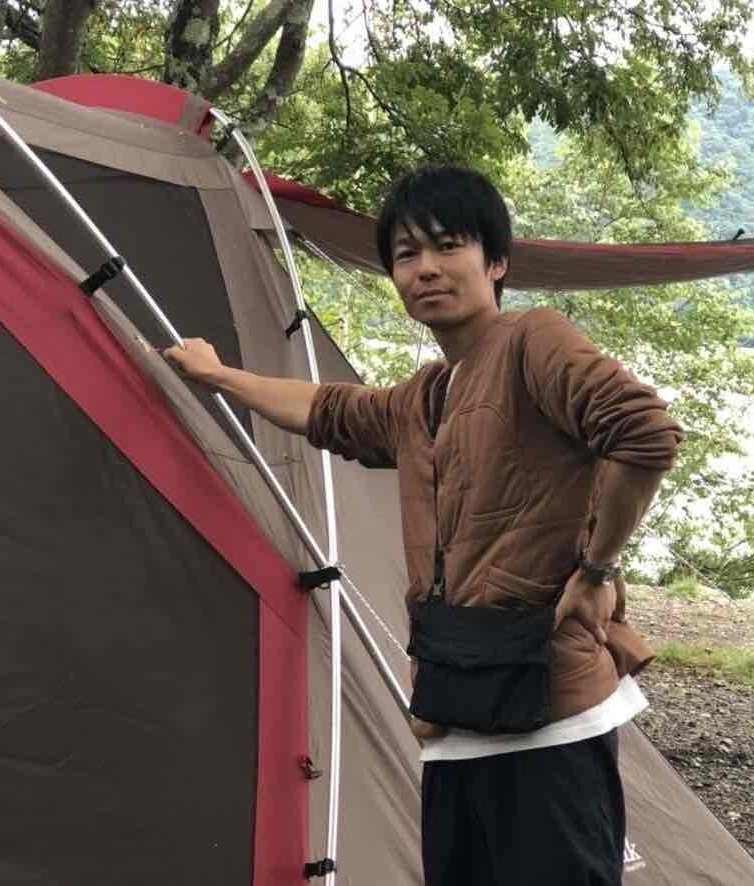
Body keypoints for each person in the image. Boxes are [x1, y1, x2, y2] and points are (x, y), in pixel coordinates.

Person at [164, 165, 682, 885]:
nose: (427, 268)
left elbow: (644, 432)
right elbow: (326, 410)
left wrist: (598, 570)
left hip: (548, 723)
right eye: (407, 254)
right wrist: (218, 377)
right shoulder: (426, 396)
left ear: (496, 262)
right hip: (455, 716)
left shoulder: (532, 341)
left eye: (448, 246)